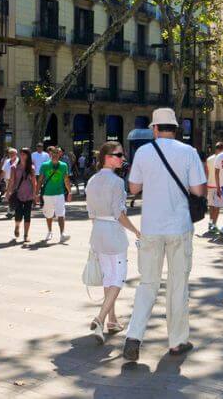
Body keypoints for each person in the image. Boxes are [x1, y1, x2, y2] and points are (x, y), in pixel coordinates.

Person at [123, 108, 206, 361]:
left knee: (147, 283)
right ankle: (177, 341)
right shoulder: (189, 152)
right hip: (179, 227)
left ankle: (134, 337)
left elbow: (134, 187)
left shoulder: (144, 152)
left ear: (154, 128)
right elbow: (199, 191)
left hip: (150, 227)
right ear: (175, 129)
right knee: (178, 285)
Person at [86, 141, 140, 344]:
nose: (122, 159)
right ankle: (100, 318)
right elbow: (119, 214)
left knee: (109, 277)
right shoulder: (117, 182)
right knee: (118, 278)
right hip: (113, 233)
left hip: (97, 230)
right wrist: (136, 231)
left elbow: (90, 213)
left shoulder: (92, 180)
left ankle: (112, 320)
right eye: (119, 155)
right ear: (107, 157)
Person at [36, 146, 72, 243]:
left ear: (59, 155)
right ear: (50, 155)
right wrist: (36, 194)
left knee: (61, 214)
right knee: (49, 215)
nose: (55, 156)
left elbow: (66, 179)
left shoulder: (63, 165)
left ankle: (62, 234)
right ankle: (49, 231)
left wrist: (69, 192)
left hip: (59, 193)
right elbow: (40, 180)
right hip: (47, 194)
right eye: (53, 154)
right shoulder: (45, 165)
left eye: (57, 154)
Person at [5, 147, 37, 243]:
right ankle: (17, 226)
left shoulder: (31, 167)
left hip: (29, 194)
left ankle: (26, 235)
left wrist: (35, 194)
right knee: (18, 215)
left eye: (24, 154)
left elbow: (34, 182)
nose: (22, 156)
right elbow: (11, 181)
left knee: (27, 215)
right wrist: (8, 192)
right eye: (21, 154)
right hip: (18, 194)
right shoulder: (14, 167)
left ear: (28, 156)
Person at [205, 142, 223, 233]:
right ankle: (214, 224)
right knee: (217, 206)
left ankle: (211, 222)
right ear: (222, 149)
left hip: (209, 184)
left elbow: (206, 172)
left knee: (211, 205)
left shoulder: (209, 159)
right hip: (219, 186)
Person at [0, 148, 19, 217]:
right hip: (8, 180)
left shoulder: (18, 161)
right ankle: (12, 211)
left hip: (16, 181)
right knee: (10, 196)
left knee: (13, 196)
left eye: (12, 153)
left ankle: (11, 211)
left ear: (16, 154)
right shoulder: (7, 161)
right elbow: (3, 171)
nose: (11, 155)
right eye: (10, 153)